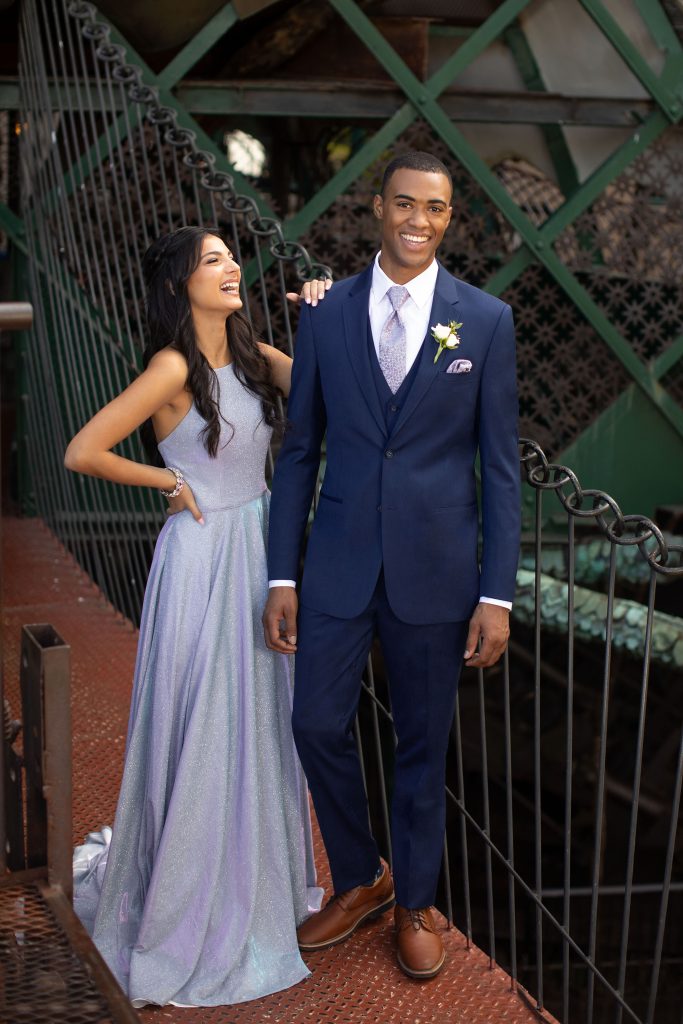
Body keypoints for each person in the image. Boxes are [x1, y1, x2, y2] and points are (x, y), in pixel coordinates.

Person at [263, 150, 521, 980]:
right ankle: (360, 874)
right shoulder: (326, 312)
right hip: (336, 561)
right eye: (404, 204)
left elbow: (500, 467)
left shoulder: (483, 320)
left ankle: (413, 901)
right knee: (312, 723)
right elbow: (300, 450)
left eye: (435, 210)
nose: (418, 221)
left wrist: (496, 592)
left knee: (421, 744)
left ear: (450, 219)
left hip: (439, 574)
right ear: (378, 207)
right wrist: (282, 574)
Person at [65, 225, 323, 1007]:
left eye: (230, 256)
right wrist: (166, 482)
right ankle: (188, 900)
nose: (232, 266)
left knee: (258, 719)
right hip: (201, 557)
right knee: (205, 719)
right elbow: (83, 451)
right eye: (213, 260)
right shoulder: (171, 366)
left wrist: (320, 315)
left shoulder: (251, 356)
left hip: (258, 548)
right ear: (181, 283)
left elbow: (327, 385)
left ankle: (254, 882)